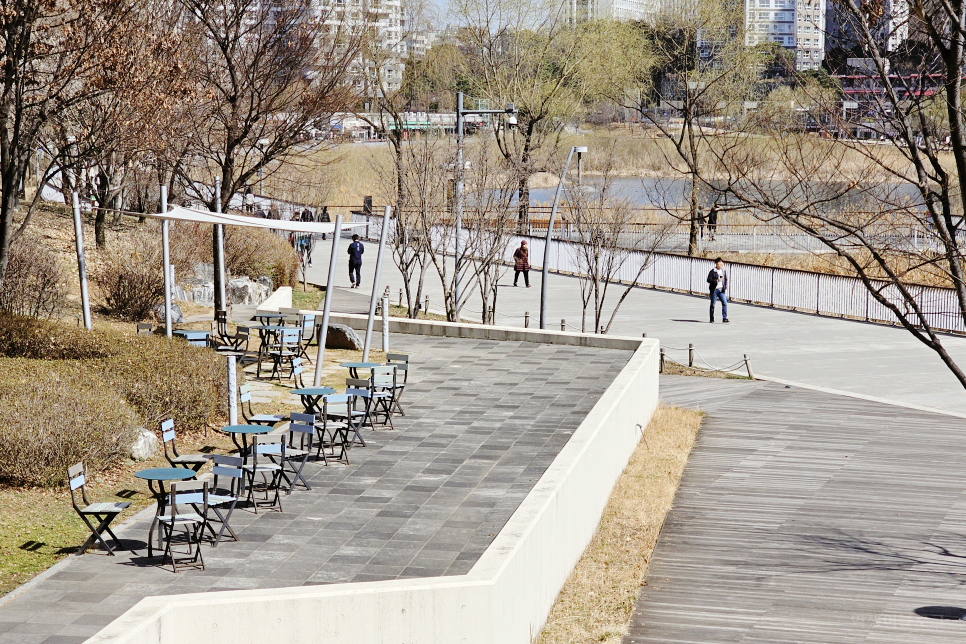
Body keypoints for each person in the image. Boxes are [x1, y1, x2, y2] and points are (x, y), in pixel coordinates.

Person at [707, 257, 729, 323]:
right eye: (719, 263)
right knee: (713, 304)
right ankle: (711, 318)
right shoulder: (713, 271)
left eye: (722, 263)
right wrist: (716, 280)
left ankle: (724, 318)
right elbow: (708, 280)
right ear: (716, 263)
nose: (721, 264)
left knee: (725, 303)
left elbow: (725, 280)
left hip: (721, 290)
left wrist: (725, 287)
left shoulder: (723, 271)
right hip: (714, 290)